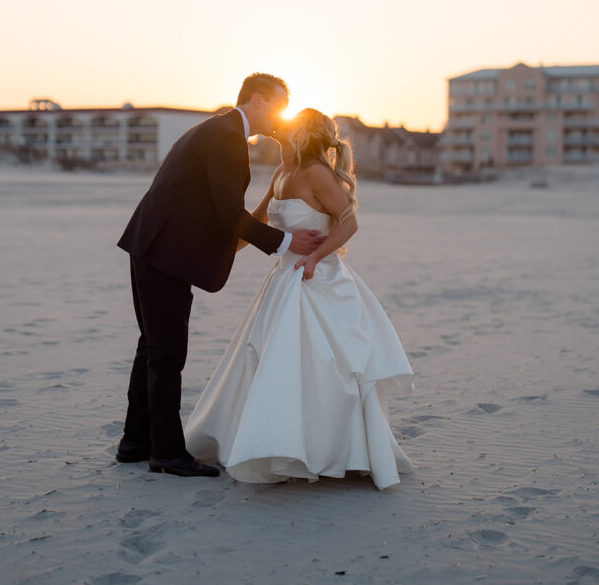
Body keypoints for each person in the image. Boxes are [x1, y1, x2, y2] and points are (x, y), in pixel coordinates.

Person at [184, 108, 415, 488]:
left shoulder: (315, 174)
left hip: (315, 279)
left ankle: (333, 451)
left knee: (323, 367)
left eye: (287, 125)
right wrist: (214, 257)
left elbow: (350, 220)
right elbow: (253, 225)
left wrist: (314, 257)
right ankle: (276, 444)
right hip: (282, 281)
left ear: (300, 135)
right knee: (273, 363)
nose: (278, 128)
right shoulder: (280, 173)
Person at [115, 74, 326, 477]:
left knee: (153, 348)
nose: (282, 116)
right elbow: (230, 215)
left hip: (154, 246)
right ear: (260, 100)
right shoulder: (226, 136)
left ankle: (135, 443)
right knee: (166, 354)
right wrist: (285, 243)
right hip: (163, 253)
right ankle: (167, 454)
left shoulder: (221, 129)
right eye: (280, 106)